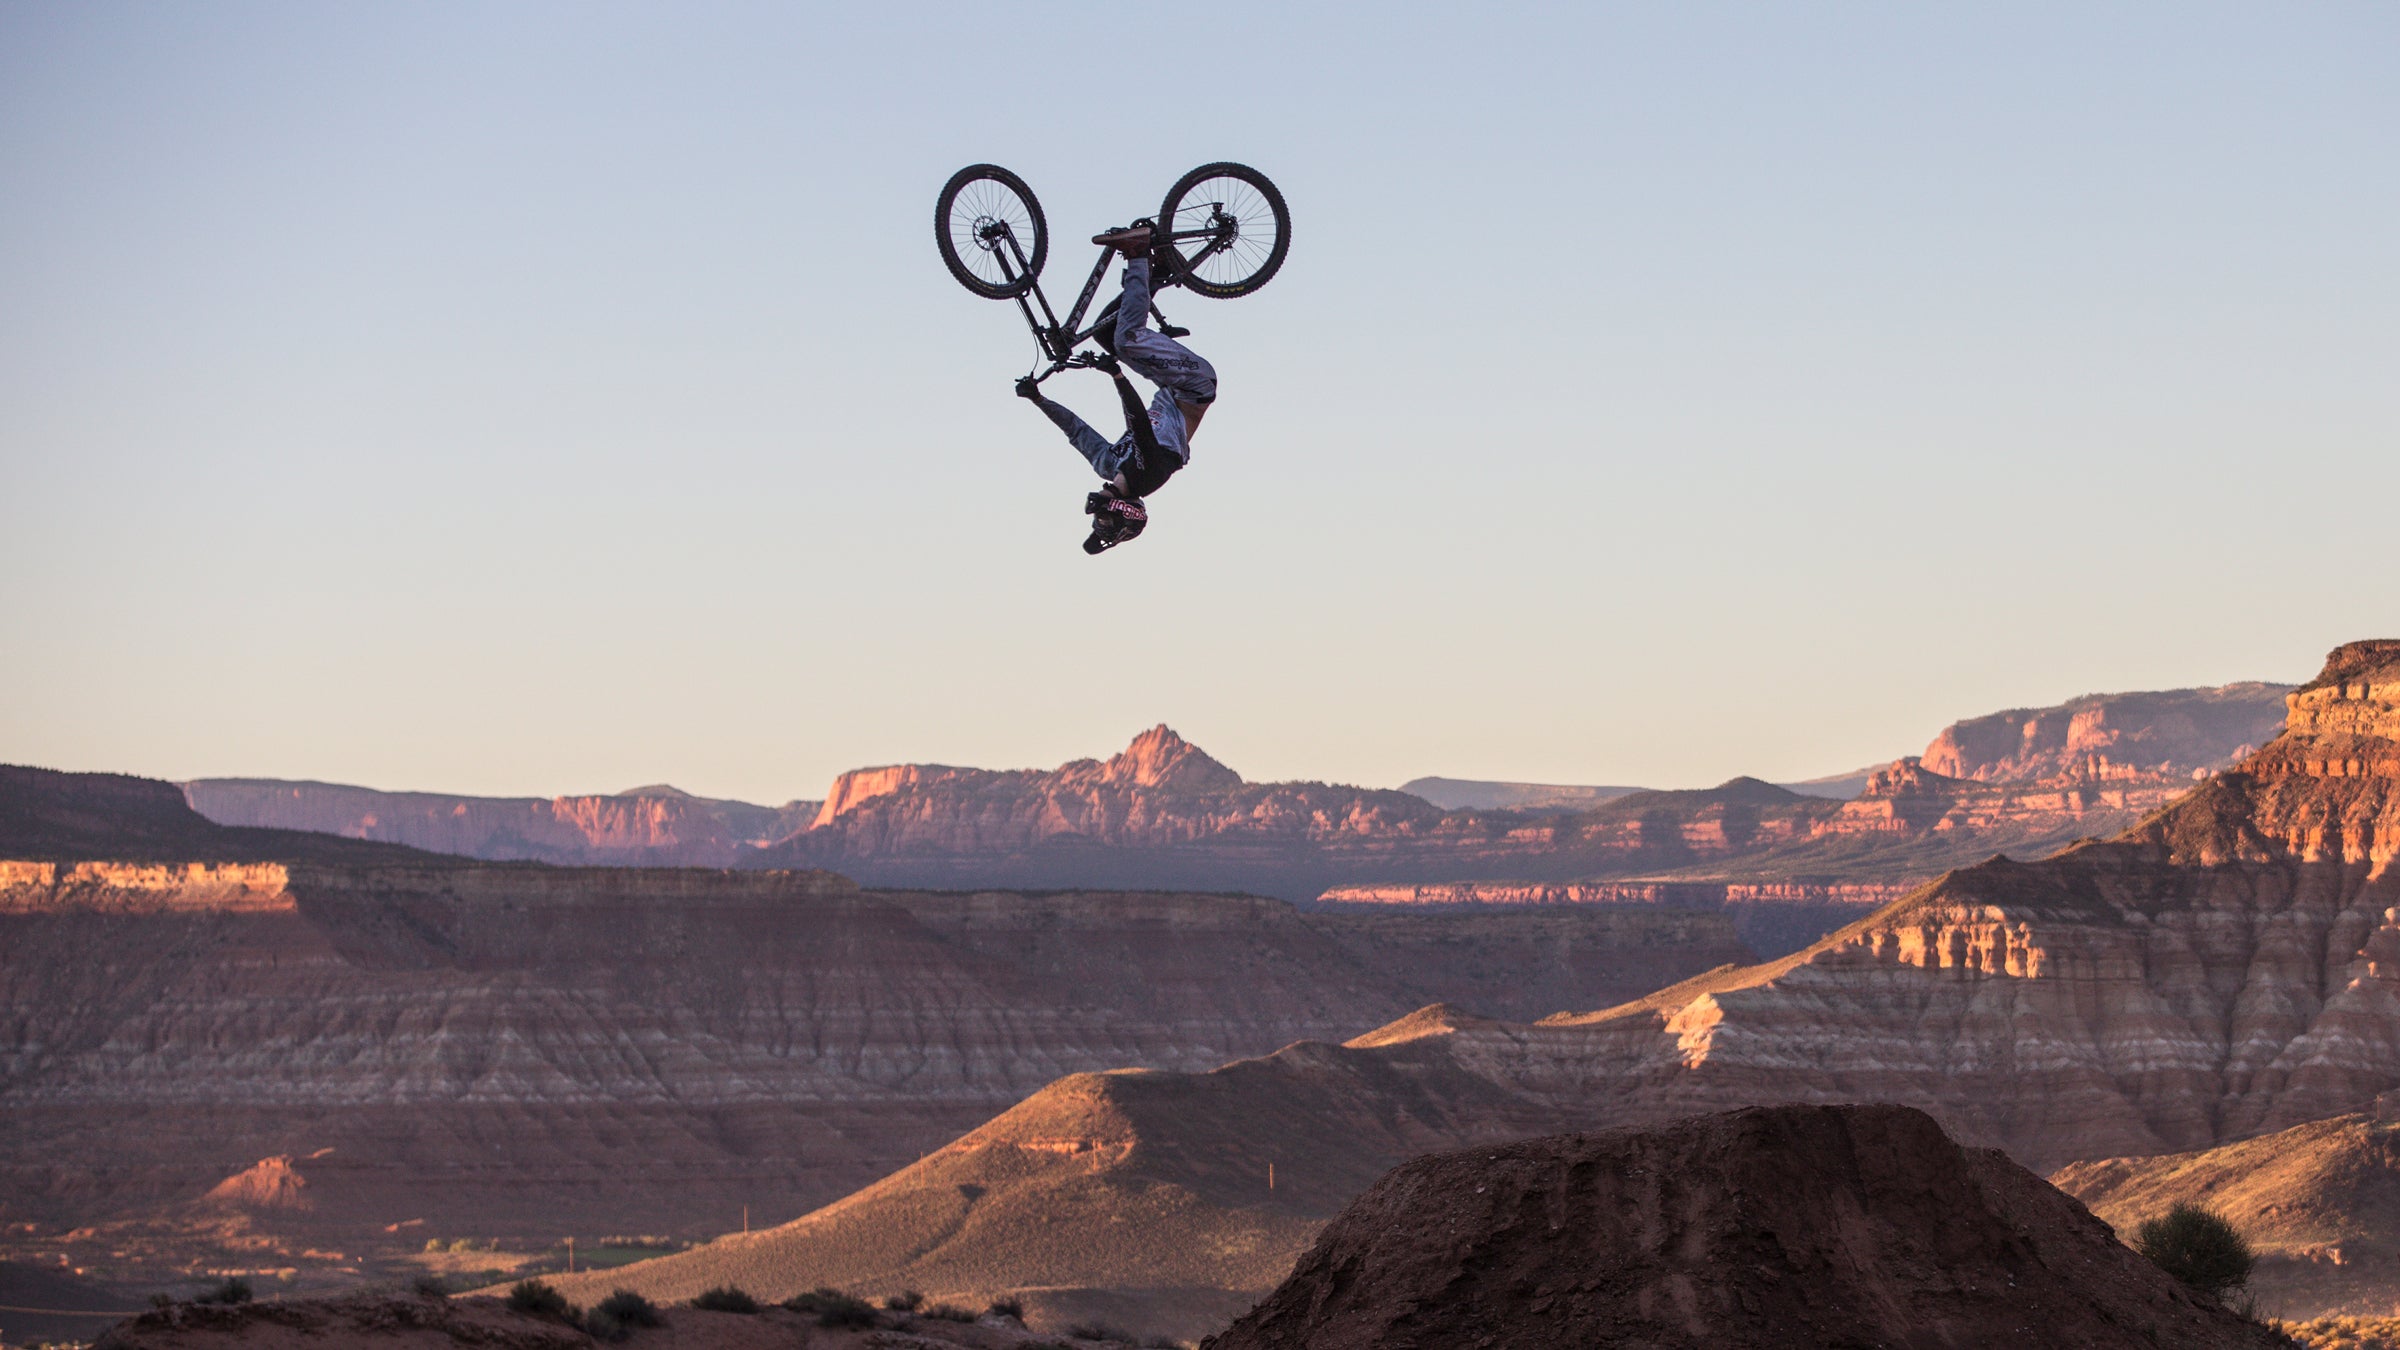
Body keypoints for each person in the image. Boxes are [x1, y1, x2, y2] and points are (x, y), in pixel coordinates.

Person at [1016, 222, 1217, 554]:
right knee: (1126, 340)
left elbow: (1076, 431)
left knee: (1106, 333)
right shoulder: (1150, 475)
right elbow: (1137, 422)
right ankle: (1138, 252)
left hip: (1167, 384)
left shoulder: (1109, 463)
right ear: (1125, 513)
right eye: (1105, 521)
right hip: (1193, 385)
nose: (1098, 515)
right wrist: (1117, 376)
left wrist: (1038, 399)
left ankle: (1157, 272)